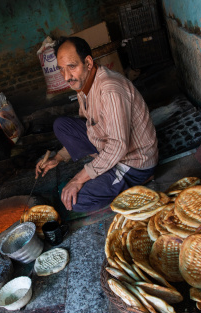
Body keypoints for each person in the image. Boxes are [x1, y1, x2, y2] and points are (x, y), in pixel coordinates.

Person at [35, 36, 158, 212]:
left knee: (76, 201)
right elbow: (88, 126)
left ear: (88, 62)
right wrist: (58, 158)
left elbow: (118, 145)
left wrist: (78, 179)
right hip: (109, 147)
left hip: (133, 162)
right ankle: (103, 168)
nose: (67, 77)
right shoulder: (83, 84)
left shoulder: (110, 90)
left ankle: (134, 181)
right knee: (61, 125)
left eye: (72, 67)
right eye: (61, 70)